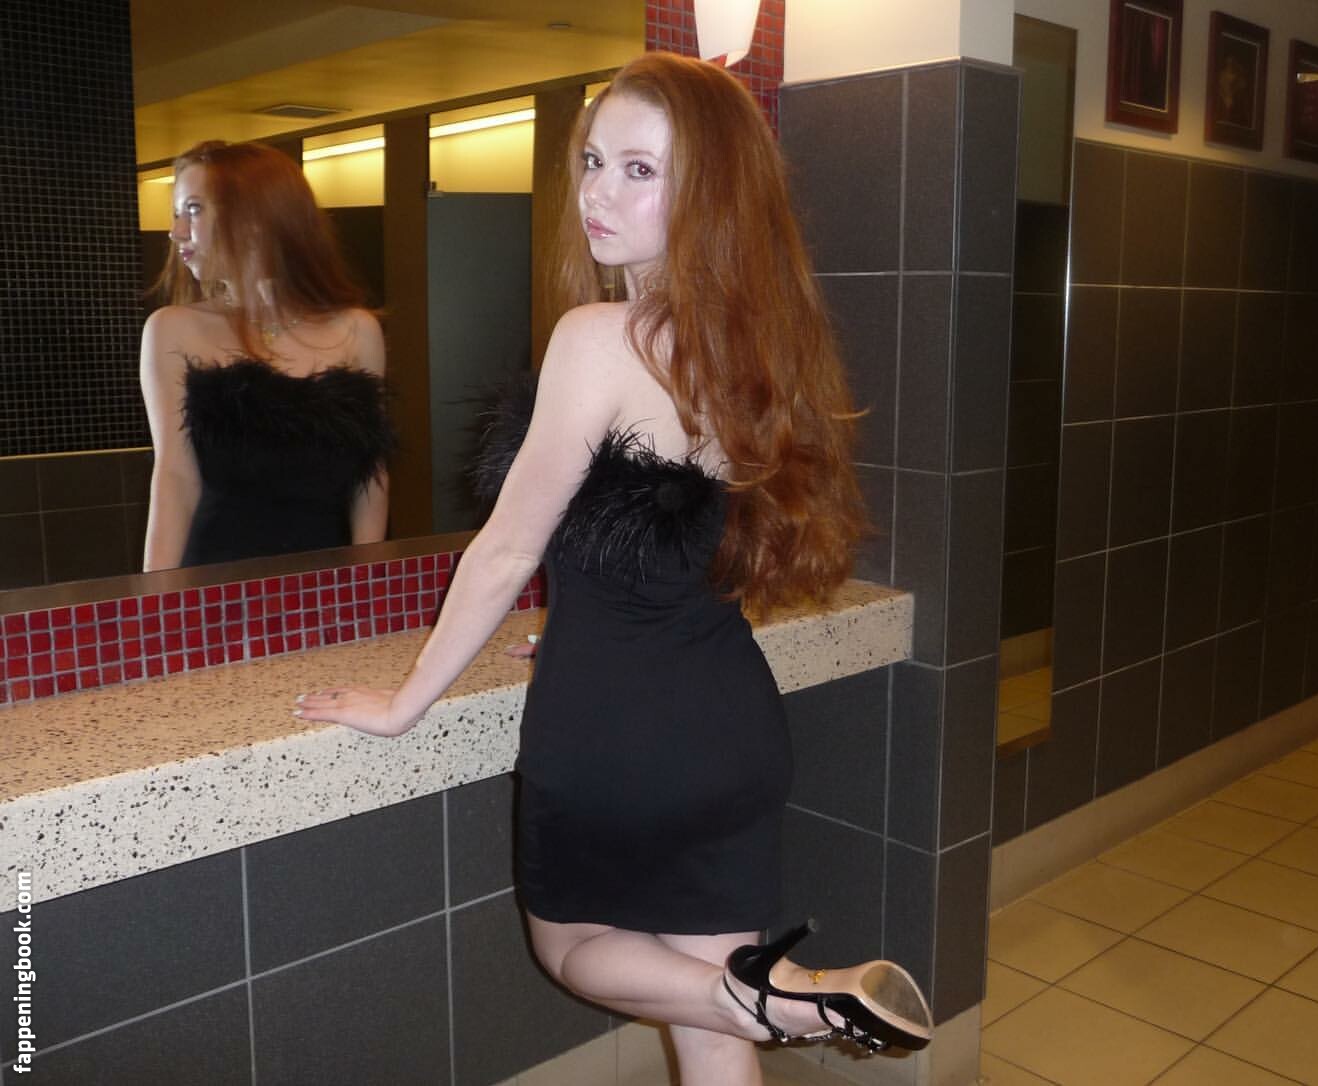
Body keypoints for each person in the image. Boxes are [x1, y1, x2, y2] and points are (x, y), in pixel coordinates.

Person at [296, 53, 933, 1085]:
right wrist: (584, 620)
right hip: (729, 727)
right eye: (594, 161)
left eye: (641, 170)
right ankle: (762, 992)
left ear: (711, 193)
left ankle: (781, 998)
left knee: (575, 951)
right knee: (708, 1034)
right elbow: (677, 541)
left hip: (616, 737)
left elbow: (509, 546)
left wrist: (406, 702)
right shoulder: (758, 348)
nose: (598, 191)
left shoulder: (599, 337)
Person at [140, 140, 391, 570]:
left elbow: (371, 477)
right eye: (177, 214)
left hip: (326, 583)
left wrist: (366, 580)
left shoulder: (356, 330)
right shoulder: (173, 328)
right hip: (217, 583)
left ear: (255, 220)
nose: (176, 231)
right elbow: (175, 479)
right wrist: (155, 598)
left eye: (193, 210)